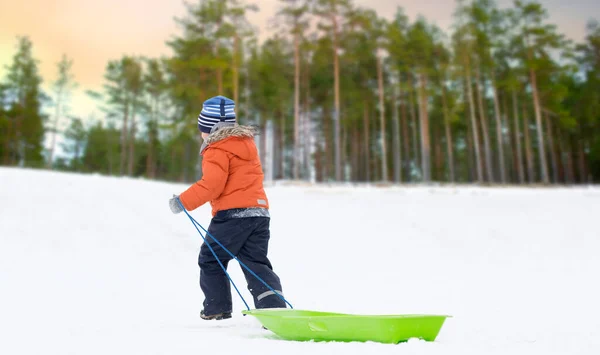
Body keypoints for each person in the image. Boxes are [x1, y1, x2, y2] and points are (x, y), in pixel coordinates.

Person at [168, 95, 286, 320]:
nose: (201, 134)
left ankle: (217, 308)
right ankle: (273, 307)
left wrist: (183, 201)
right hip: (259, 213)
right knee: (256, 263)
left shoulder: (217, 149)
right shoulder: (246, 144)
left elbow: (212, 185)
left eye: (202, 128)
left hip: (233, 216)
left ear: (210, 129)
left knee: (211, 258)